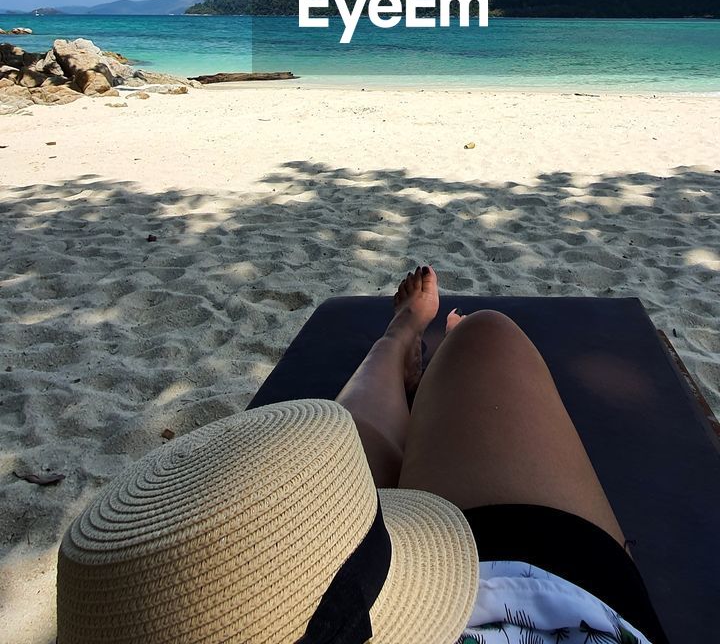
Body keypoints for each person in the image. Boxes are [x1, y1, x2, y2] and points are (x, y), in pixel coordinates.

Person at [56, 266, 671, 644]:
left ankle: (402, 341)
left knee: (329, 457)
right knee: (486, 338)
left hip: (323, 573)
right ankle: (414, 352)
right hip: (522, 598)